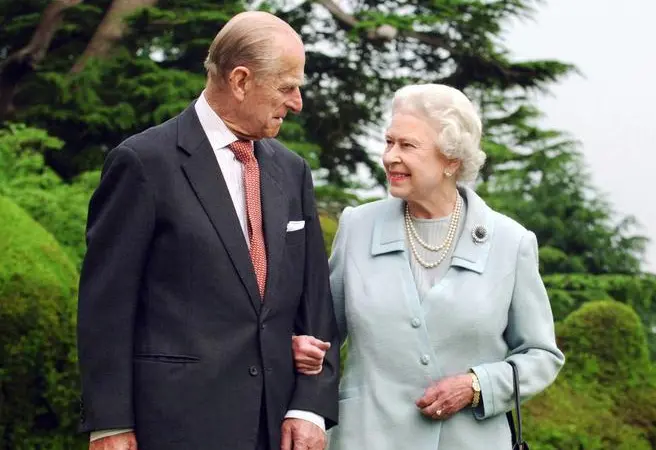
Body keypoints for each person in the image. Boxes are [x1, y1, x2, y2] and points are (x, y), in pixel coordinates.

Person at [76, 11, 339, 450]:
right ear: (240, 80)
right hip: (174, 426)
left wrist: (309, 406)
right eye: (287, 87)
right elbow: (106, 305)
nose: (297, 102)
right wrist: (110, 423)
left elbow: (315, 304)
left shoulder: (292, 172)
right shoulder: (143, 163)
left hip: (276, 428)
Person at [291, 83, 565, 450]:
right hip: (366, 438)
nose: (390, 157)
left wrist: (477, 385)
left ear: (451, 160)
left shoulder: (509, 242)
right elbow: (321, 332)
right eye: (389, 143)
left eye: (407, 146)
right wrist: (299, 347)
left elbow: (541, 355)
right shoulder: (357, 226)